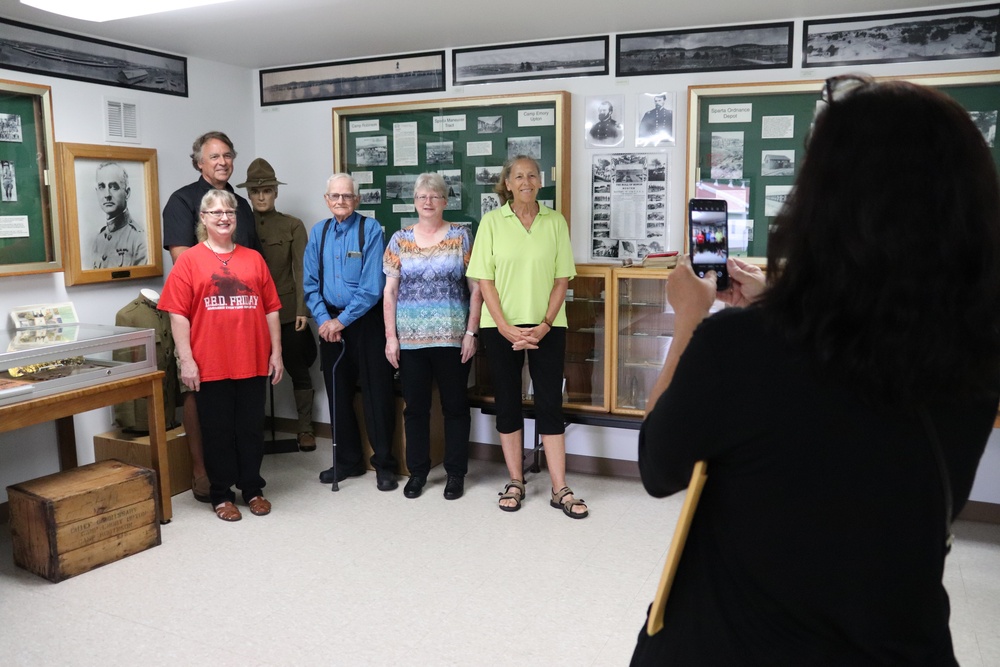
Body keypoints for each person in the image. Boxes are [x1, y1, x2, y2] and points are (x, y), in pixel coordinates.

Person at [631, 77, 1000, 664]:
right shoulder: (975, 356)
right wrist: (779, 297)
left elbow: (657, 466)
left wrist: (689, 322)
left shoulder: (739, 346)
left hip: (738, 644)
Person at [467, 155, 588, 518]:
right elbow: (483, 280)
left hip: (547, 327)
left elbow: (561, 279)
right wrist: (504, 326)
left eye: (531, 175)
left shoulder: (555, 222)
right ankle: (515, 481)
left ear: (540, 181)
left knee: (550, 402)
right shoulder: (491, 222)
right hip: (499, 326)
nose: (525, 181)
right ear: (506, 183)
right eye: (517, 176)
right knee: (507, 401)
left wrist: (545, 325)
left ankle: (559, 487)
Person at [158, 189, 284, 522]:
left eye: (229, 211)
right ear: (203, 219)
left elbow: (271, 309)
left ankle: (253, 489)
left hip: (252, 360)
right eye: (215, 212)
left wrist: (277, 353)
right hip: (210, 363)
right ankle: (222, 494)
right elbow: (177, 314)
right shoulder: (189, 261)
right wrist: (187, 359)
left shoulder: (253, 259)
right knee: (217, 431)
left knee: (250, 429)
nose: (224, 217)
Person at [161, 131, 263, 503]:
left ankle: (245, 478)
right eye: (214, 156)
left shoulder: (241, 204)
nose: (222, 162)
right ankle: (203, 473)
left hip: (241, 321)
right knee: (201, 398)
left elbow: (249, 256)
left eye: (227, 155)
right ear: (199, 162)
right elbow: (184, 263)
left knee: (244, 411)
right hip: (200, 322)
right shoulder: (182, 201)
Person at [382, 172, 483, 500]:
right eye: (422, 197)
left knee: (455, 407)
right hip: (411, 341)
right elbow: (390, 292)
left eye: (434, 196)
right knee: (415, 409)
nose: (428, 202)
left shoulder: (461, 236)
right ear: (414, 202)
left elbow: (476, 288)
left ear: (445, 201)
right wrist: (391, 337)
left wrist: (472, 332)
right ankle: (418, 472)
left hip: (453, 339)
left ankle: (455, 473)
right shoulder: (399, 240)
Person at [303, 173, 398, 491]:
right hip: (329, 324)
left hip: (366, 322)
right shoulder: (319, 232)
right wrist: (323, 321)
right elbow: (310, 285)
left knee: (377, 394)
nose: (340, 201)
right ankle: (348, 461)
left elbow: (373, 287)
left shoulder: (369, 229)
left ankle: (384, 464)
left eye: (346, 196)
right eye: (334, 196)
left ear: (356, 200)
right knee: (337, 394)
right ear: (326, 199)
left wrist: (341, 322)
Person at [237, 158, 318, 451]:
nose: (261, 197)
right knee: (250, 374)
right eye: (256, 192)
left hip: (285, 311)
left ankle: (305, 429)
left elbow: (302, 271)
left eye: (267, 191)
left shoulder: (292, 226)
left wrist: (301, 310)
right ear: (247, 194)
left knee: (298, 367)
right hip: (247, 313)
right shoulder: (235, 224)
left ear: (275, 193)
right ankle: (252, 432)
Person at [91, 162, 146, 269]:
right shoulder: (98, 240)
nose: (107, 195)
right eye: (102, 187)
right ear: (97, 192)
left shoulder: (139, 239)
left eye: (114, 187)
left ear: (127, 193)